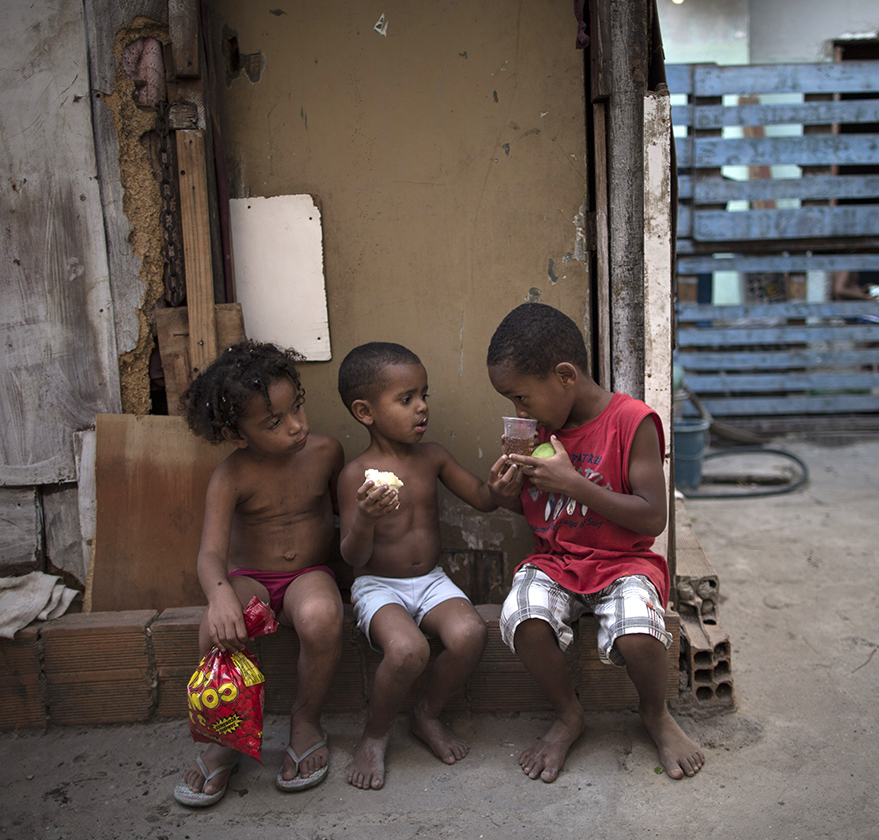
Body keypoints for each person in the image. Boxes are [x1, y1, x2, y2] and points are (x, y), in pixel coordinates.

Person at [486, 302, 705, 783]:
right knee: (522, 617)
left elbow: (653, 517)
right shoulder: (538, 432)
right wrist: (504, 493)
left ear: (565, 376)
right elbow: (536, 505)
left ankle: (656, 713)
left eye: (522, 398)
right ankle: (569, 714)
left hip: (623, 563)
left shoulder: (633, 422)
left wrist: (573, 483)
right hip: (557, 562)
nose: (518, 412)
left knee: (639, 635)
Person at [336, 342, 518, 790]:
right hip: (377, 584)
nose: (421, 408)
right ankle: (375, 736)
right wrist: (364, 518)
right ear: (365, 412)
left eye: (424, 396)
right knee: (407, 650)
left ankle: (426, 715)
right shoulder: (355, 475)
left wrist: (497, 487)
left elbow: (481, 499)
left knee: (470, 633)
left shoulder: (432, 456)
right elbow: (352, 559)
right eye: (406, 399)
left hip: (430, 580)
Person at [172, 341, 344, 808]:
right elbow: (210, 554)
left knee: (324, 615)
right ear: (235, 433)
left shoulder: (327, 452)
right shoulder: (232, 476)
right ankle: (224, 738)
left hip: (308, 574)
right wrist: (221, 596)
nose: (297, 426)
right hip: (249, 577)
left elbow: (344, 517)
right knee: (215, 627)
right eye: (275, 422)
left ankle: (306, 720)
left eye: (298, 408)